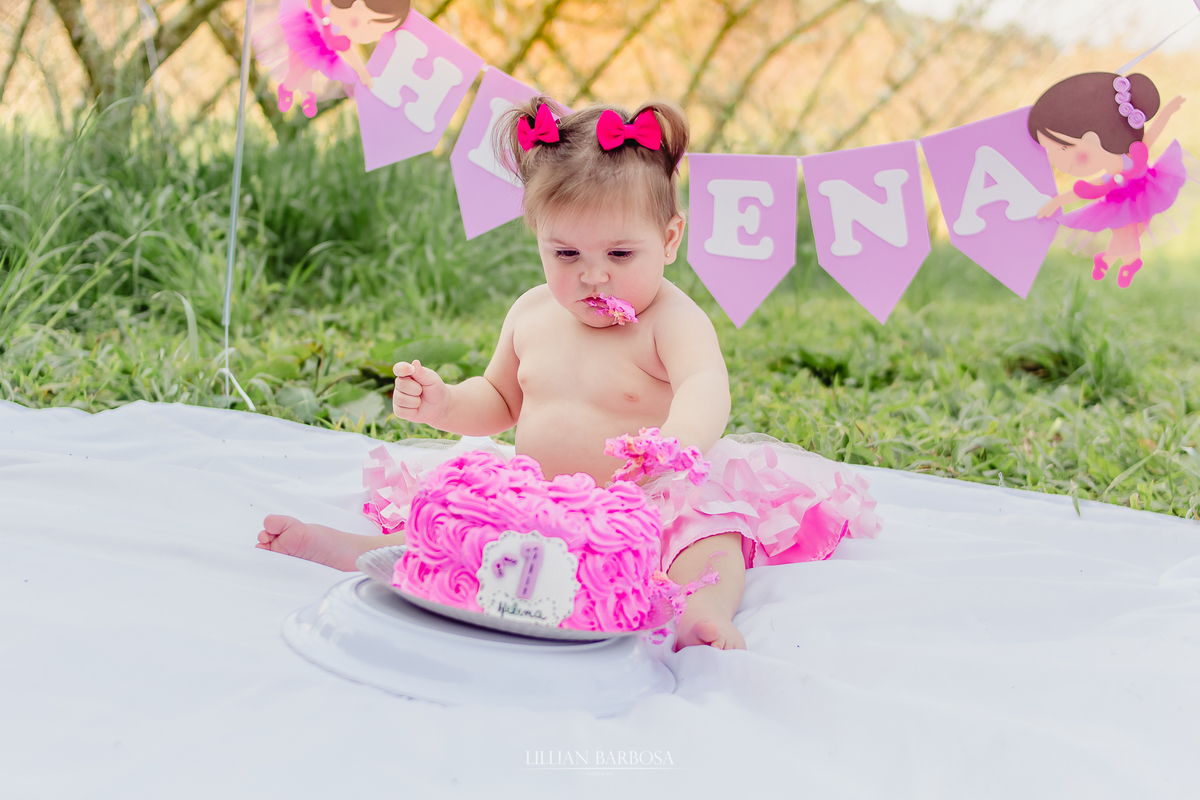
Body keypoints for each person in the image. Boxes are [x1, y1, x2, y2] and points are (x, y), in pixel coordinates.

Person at [259, 97, 880, 649]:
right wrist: (445, 404)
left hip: (648, 495)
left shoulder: (670, 320)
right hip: (544, 493)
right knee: (465, 527)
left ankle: (701, 609)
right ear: (538, 237)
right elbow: (499, 399)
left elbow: (704, 385)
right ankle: (356, 552)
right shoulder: (532, 313)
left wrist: (678, 441)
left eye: (620, 253)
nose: (593, 275)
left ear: (669, 239)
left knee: (707, 534)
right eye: (566, 253)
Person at [1030, 72, 1195, 288]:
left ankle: (1106, 260)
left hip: (1146, 191)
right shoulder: (1108, 177)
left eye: (1062, 149)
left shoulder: (1133, 154)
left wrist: (1168, 111)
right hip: (1119, 203)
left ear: (1093, 137)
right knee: (1126, 235)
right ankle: (1130, 262)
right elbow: (1083, 190)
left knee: (1136, 231)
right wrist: (1057, 201)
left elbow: (1154, 131)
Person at [252, 0, 411, 118]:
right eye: (370, 24)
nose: (371, 35)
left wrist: (362, 71)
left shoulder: (342, 37)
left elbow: (347, 50)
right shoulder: (327, 7)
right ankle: (289, 88)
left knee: (309, 67)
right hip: (304, 27)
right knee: (298, 64)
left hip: (320, 49)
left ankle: (305, 93)